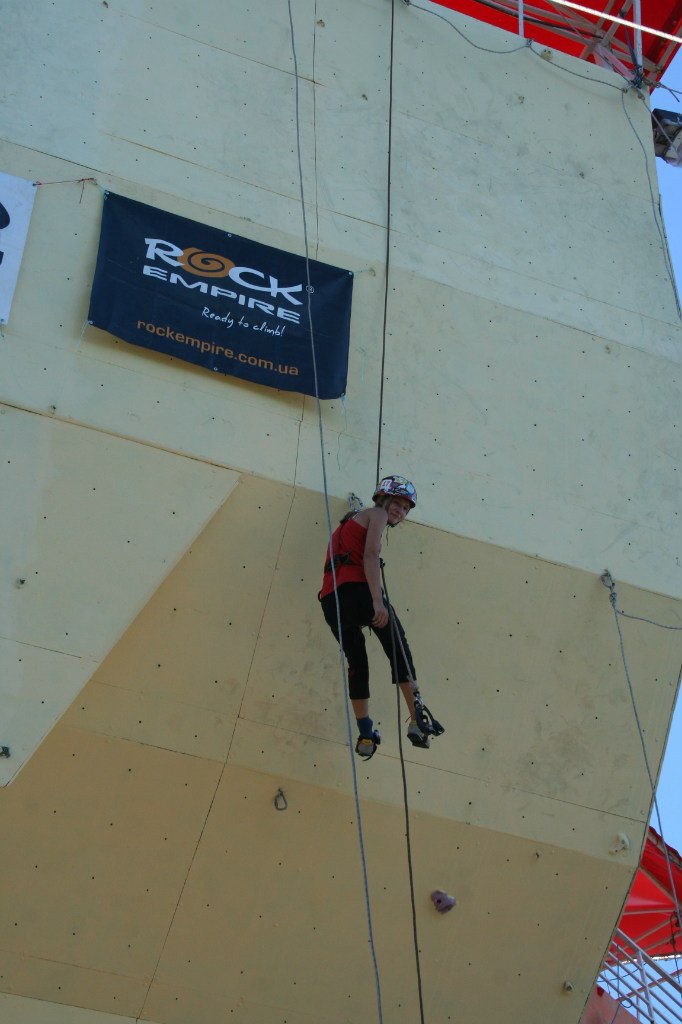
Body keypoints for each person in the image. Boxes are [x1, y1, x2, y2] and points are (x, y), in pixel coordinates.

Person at [319, 475, 429, 759]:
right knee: (398, 647)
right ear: (384, 498)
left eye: (406, 509)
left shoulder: (347, 524)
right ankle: (416, 719)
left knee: (357, 663)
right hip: (359, 593)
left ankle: (365, 734)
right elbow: (370, 555)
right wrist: (378, 603)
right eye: (399, 504)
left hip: (332, 602)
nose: (400, 512)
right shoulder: (377, 514)